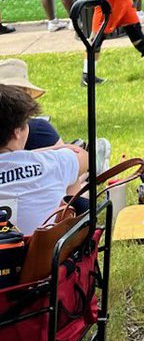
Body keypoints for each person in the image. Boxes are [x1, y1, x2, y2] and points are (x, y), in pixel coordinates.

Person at [0, 85, 88, 234]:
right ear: (17, 133)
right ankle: (75, 231)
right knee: (71, 179)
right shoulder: (51, 162)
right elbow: (82, 156)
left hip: (6, 252)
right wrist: (46, 151)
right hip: (45, 252)